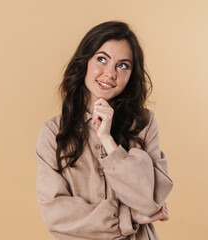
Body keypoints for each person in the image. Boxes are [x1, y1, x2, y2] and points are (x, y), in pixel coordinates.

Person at [35, 21, 173, 240]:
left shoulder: (144, 123)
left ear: (131, 74)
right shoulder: (54, 132)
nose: (110, 73)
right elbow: (56, 216)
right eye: (102, 59)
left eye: (122, 65)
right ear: (85, 62)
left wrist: (108, 140)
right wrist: (128, 217)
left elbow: (148, 202)